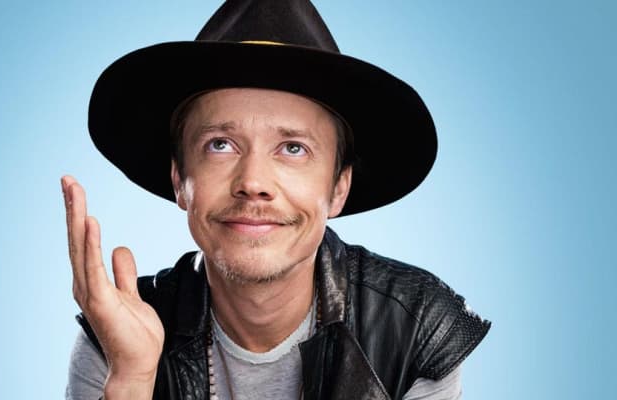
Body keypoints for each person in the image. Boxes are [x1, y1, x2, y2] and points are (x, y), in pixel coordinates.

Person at [63, 1, 491, 399]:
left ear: (338, 188)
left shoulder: (415, 331)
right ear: (180, 179)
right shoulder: (117, 333)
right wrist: (131, 379)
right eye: (220, 144)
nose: (253, 182)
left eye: (293, 148)